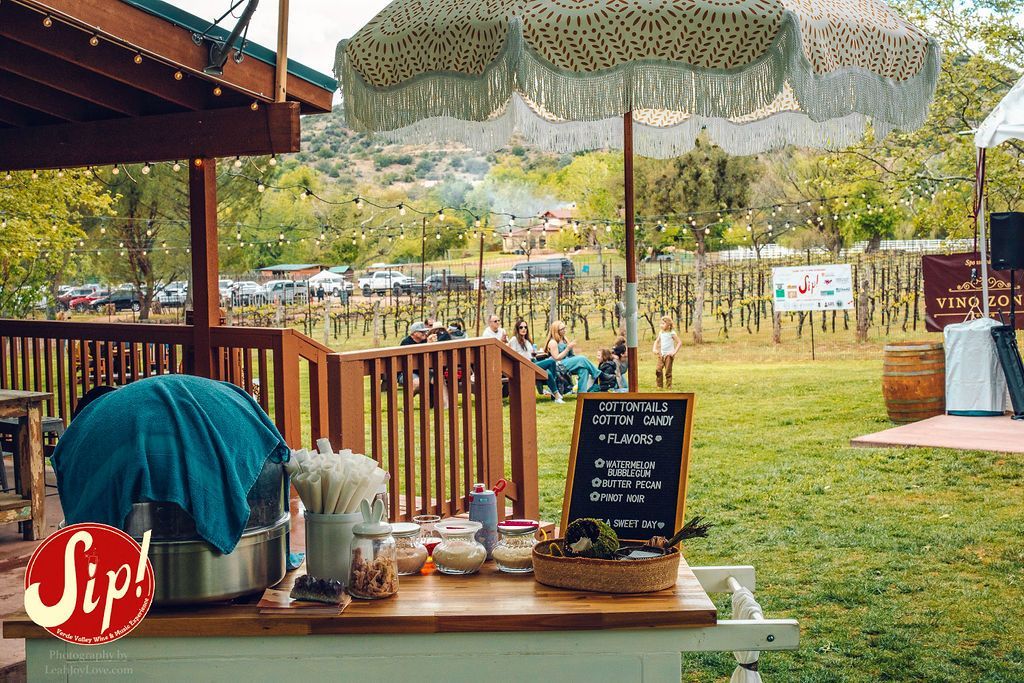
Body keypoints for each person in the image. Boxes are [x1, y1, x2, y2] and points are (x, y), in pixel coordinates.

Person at [509, 320, 563, 403]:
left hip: (532, 362)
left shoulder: (527, 341)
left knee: (548, 372)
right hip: (523, 365)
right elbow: (512, 354)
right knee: (551, 362)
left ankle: (555, 393)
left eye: (525, 327)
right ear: (517, 329)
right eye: (521, 327)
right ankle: (555, 393)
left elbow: (531, 354)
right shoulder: (514, 339)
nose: (524, 329)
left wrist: (536, 353)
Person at [545, 320, 599, 394]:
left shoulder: (564, 339)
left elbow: (571, 355)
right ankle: (599, 375)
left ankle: (582, 394)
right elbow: (556, 358)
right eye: (562, 329)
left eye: (564, 328)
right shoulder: (552, 342)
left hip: (567, 364)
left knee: (583, 369)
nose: (564, 330)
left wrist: (571, 350)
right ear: (556, 331)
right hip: (558, 365)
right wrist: (568, 348)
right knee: (582, 358)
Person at [652, 316, 682, 389]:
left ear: (668, 324)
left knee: (668, 371)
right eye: (660, 323)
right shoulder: (661, 333)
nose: (661, 325)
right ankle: (659, 386)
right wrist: (654, 349)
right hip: (661, 354)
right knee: (658, 370)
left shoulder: (672, 333)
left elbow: (679, 342)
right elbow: (656, 341)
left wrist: (674, 352)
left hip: (669, 355)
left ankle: (669, 386)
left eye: (663, 323)